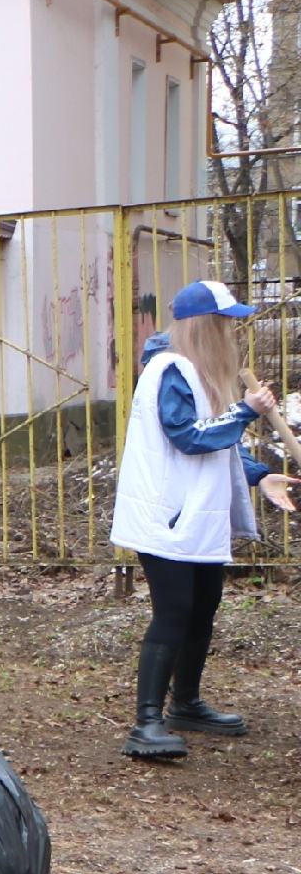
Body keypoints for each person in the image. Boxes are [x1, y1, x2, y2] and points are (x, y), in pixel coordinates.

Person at [111, 280, 297, 759]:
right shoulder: (168, 369)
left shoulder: (201, 373)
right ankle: (146, 723)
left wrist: (260, 477)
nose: (233, 331)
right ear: (205, 325)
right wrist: (245, 411)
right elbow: (189, 436)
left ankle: (186, 704)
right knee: (173, 614)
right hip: (167, 515)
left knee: (202, 609)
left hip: (196, 516)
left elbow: (222, 447)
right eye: (227, 321)